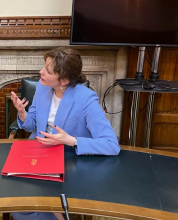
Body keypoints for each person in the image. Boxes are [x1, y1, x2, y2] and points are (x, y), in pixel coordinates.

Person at [10, 47, 120, 220]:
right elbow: (32, 126)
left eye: (47, 70)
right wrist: (22, 113)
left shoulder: (86, 98)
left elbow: (111, 144)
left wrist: (71, 140)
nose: (41, 72)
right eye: (43, 67)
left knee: (28, 210)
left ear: (64, 80)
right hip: (38, 154)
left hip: (67, 160)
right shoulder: (42, 86)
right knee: (18, 206)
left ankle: (54, 211)